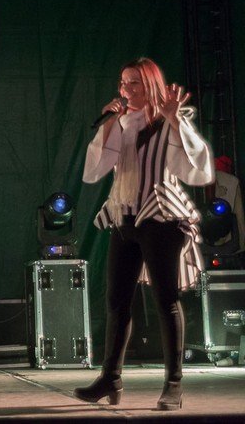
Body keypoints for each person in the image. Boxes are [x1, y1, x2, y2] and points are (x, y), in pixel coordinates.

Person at [75, 58, 213, 411]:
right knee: (116, 301)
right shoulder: (120, 123)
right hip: (125, 217)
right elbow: (94, 171)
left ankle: (173, 384)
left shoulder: (169, 120)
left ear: (150, 85)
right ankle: (110, 377)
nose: (126, 90)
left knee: (165, 300)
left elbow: (197, 170)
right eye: (123, 83)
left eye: (133, 83)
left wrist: (173, 119)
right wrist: (108, 124)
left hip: (161, 219)